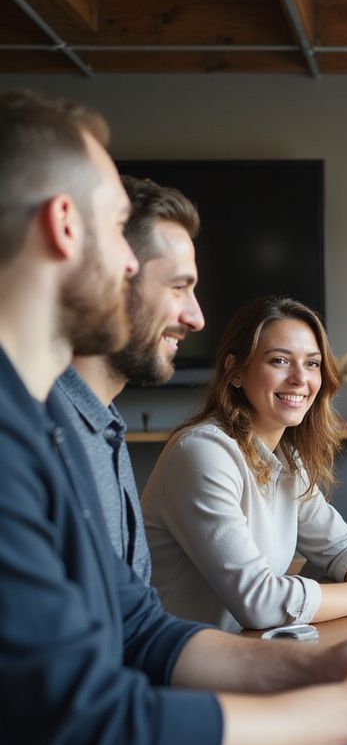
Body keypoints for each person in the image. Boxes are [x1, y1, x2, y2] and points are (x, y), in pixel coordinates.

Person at [0, 90, 347, 745]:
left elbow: (140, 631)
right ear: (65, 228)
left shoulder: (51, 429)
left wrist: (318, 665)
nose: (131, 267)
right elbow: (98, 736)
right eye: (115, 235)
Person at [144, 295, 347, 631]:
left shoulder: (286, 460)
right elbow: (261, 604)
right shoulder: (202, 452)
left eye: (312, 363)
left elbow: (344, 547)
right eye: (279, 361)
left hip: (247, 653)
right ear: (236, 371)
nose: (300, 378)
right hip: (180, 669)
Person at [51, 175, 204, 583]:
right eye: (178, 287)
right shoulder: (41, 435)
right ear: (118, 278)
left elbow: (136, 625)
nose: (196, 318)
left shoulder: (105, 425)